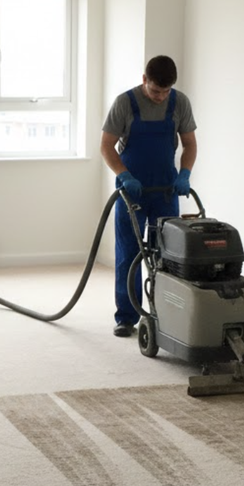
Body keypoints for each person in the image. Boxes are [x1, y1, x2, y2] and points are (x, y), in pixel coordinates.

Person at [101, 54, 198, 337]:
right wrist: (124, 175)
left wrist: (185, 173)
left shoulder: (180, 103)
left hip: (166, 189)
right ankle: (127, 316)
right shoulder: (125, 103)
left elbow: (190, 143)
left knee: (167, 255)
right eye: (156, 90)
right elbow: (106, 146)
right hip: (132, 192)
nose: (160, 97)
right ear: (145, 80)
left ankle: (163, 315)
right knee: (129, 253)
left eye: (166, 91)